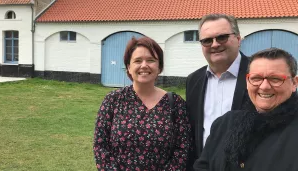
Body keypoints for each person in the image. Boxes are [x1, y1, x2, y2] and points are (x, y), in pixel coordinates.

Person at [93, 36, 192, 170]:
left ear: (159, 67)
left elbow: (183, 149)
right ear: (128, 67)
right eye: (137, 60)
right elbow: (101, 146)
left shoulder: (175, 104)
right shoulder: (113, 100)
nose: (144, 65)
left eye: (151, 60)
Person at [194, 48, 298, 171]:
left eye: (275, 79)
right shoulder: (224, 124)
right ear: (247, 81)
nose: (264, 86)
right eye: (256, 78)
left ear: (294, 83)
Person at [186, 14, 249, 170]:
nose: (214, 45)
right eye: (207, 40)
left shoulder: (258, 75)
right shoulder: (193, 81)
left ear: (238, 39)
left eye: (222, 37)